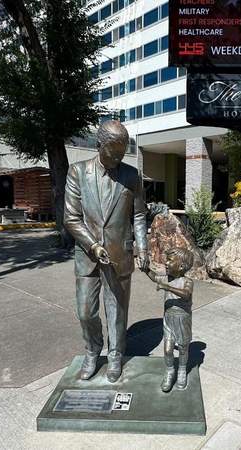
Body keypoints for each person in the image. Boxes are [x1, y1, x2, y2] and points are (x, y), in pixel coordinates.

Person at [64, 120, 149, 383]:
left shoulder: (131, 175)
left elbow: (139, 215)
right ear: (99, 145)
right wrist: (93, 245)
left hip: (120, 254)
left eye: (122, 153)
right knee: (85, 311)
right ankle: (92, 351)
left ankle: (115, 355)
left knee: (116, 310)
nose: (118, 158)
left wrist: (142, 247)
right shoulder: (78, 172)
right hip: (88, 255)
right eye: (113, 152)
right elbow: (71, 218)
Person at [146, 247, 195, 393]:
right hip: (168, 319)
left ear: (181, 266)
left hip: (182, 320)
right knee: (168, 349)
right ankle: (169, 371)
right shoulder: (167, 278)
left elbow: (186, 294)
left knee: (183, 347)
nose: (166, 263)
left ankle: (181, 370)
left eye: (169, 261)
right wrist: (145, 268)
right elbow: (154, 277)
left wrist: (166, 287)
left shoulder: (187, 281)